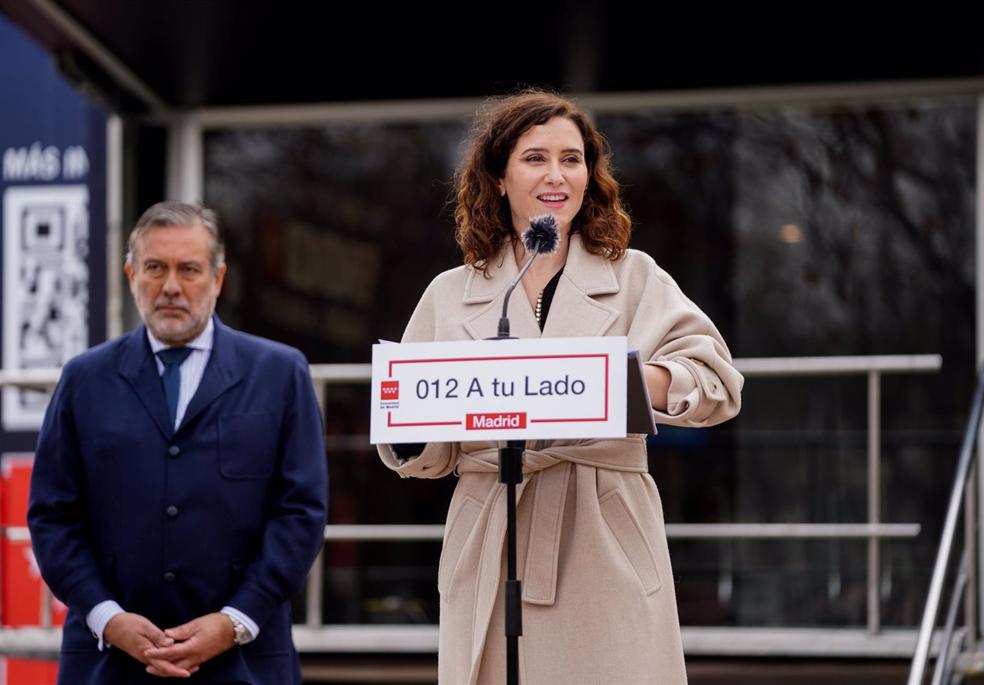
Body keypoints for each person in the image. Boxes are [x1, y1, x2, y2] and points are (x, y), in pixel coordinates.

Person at [377, 91, 743, 684]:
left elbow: (717, 384)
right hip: (492, 528)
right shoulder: (450, 294)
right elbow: (427, 446)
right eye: (535, 158)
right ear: (497, 177)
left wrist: (622, 381)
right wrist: (411, 435)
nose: (556, 176)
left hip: (603, 530)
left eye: (572, 160)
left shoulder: (634, 277)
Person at [27, 201, 328, 684]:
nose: (170, 286)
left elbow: (301, 513)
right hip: (107, 661)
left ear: (218, 277)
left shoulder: (279, 374)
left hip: (245, 660)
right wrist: (108, 618)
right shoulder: (84, 379)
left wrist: (234, 621)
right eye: (154, 268)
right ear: (130, 274)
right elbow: (52, 514)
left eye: (188, 269)